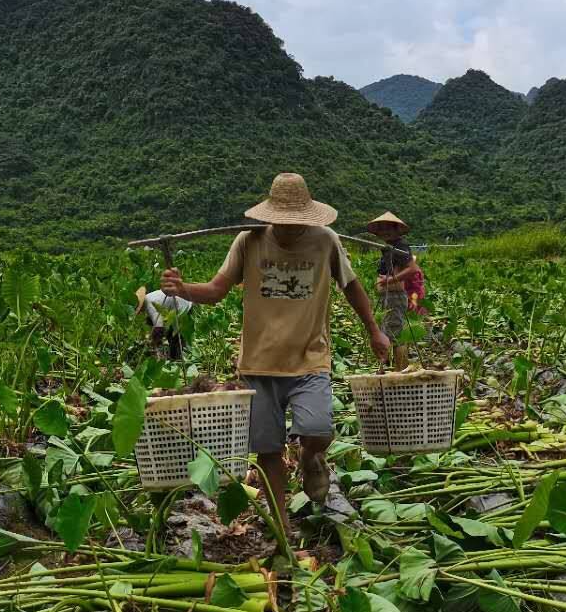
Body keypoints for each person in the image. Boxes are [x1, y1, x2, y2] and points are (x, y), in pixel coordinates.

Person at [160, 173, 391, 533]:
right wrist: (183, 288)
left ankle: (311, 457)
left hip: (309, 359)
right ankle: (282, 526)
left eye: (296, 220)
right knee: (267, 450)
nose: (289, 226)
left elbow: (351, 286)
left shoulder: (325, 240)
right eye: (283, 220)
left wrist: (374, 330)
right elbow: (217, 290)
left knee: (318, 429)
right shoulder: (248, 241)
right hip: (259, 364)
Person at [368, 212, 418, 370]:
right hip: (387, 296)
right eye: (382, 229)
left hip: (395, 296)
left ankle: (401, 371)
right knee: (387, 331)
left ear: (397, 230)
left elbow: (412, 269)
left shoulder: (401, 246)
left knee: (395, 335)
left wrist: (390, 280)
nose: (385, 232)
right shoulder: (389, 247)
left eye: (389, 228)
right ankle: (388, 368)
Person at [136, 285, 192, 360]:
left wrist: (153, 342)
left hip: (181, 304)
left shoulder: (149, 304)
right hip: (181, 300)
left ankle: (177, 358)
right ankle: (178, 354)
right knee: (151, 321)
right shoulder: (148, 297)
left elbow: (159, 327)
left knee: (175, 336)